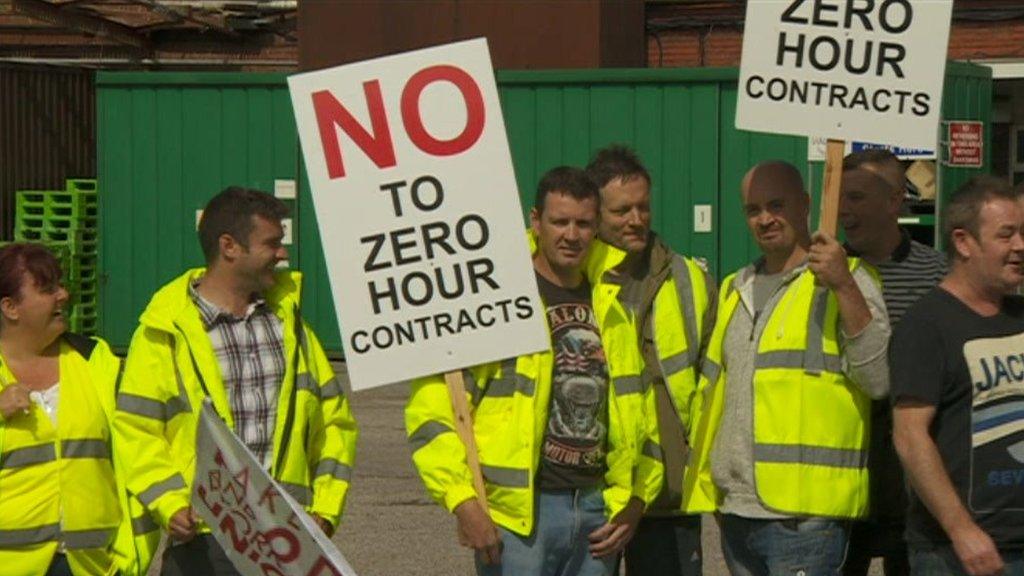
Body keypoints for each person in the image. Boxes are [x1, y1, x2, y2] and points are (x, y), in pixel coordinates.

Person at [405, 166, 662, 576]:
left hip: (598, 514)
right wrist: (463, 501)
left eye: (583, 223)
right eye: (560, 221)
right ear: (535, 221)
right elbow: (432, 411)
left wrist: (635, 502)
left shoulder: (612, 304)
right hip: (520, 519)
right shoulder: (494, 300)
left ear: (596, 227)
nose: (572, 235)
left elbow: (639, 412)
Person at [114, 186, 358, 575]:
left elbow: (336, 425)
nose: (283, 254)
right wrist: (169, 503)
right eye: (272, 243)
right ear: (229, 246)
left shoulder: (292, 328)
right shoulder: (164, 331)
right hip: (202, 541)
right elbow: (136, 431)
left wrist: (325, 512)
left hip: (286, 544)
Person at [684, 161, 891, 576]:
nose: (764, 219)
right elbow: (716, 398)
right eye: (753, 209)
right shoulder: (733, 287)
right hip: (738, 510)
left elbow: (878, 379)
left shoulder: (850, 278)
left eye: (776, 205)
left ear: (806, 205)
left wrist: (842, 285)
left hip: (805, 520)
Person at [584, 145, 714, 576]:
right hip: (591, 491)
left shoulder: (689, 280)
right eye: (622, 211)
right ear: (596, 212)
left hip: (668, 497)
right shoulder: (573, 280)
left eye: (643, 207)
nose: (636, 219)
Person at [892, 176, 1024, 576]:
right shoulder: (926, 325)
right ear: (964, 242)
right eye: (1006, 235)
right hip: (958, 555)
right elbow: (910, 436)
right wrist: (962, 530)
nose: (1020, 246)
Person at [0, 243, 156, 576]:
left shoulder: (95, 362)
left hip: (93, 566)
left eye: (61, 284)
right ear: (10, 307)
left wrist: (130, 556)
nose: (63, 295)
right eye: (47, 289)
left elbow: (137, 450)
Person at [840, 149, 947, 576]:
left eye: (858, 198)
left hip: (915, 488)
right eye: (841, 198)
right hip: (846, 484)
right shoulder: (826, 277)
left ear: (894, 201)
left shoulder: (939, 276)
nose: (845, 210)